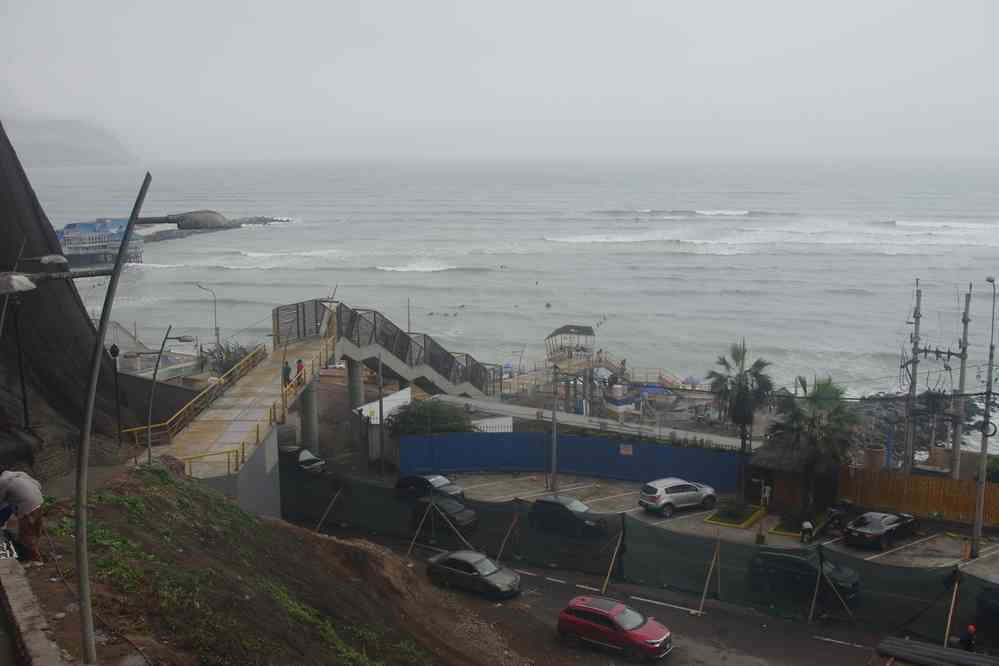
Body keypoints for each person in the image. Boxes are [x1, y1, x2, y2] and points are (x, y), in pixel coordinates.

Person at [0, 469, 44, 562]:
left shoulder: (2, 481)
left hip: (27, 508)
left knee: (26, 534)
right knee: (35, 530)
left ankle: (34, 559)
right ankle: (35, 551)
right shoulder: (20, 474)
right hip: (39, 502)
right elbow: (38, 485)